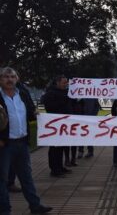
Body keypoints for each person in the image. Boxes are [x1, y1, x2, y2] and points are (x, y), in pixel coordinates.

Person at [0, 67, 52, 214]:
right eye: (5, 77)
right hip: (4, 145)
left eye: (12, 77)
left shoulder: (22, 93)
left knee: (26, 177)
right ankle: (4, 210)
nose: (9, 79)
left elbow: (30, 113)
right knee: (2, 180)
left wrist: (36, 114)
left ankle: (35, 206)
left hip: (22, 143)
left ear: (17, 79)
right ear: (0, 79)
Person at [41, 75, 74, 177]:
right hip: (54, 125)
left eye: (67, 83)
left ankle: (59, 166)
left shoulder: (65, 93)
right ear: (57, 83)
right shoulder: (50, 94)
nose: (66, 84)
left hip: (64, 124)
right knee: (55, 148)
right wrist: (65, 99)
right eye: (64, 83)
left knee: (61, 147)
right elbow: (50, 107)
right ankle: (54, 169)